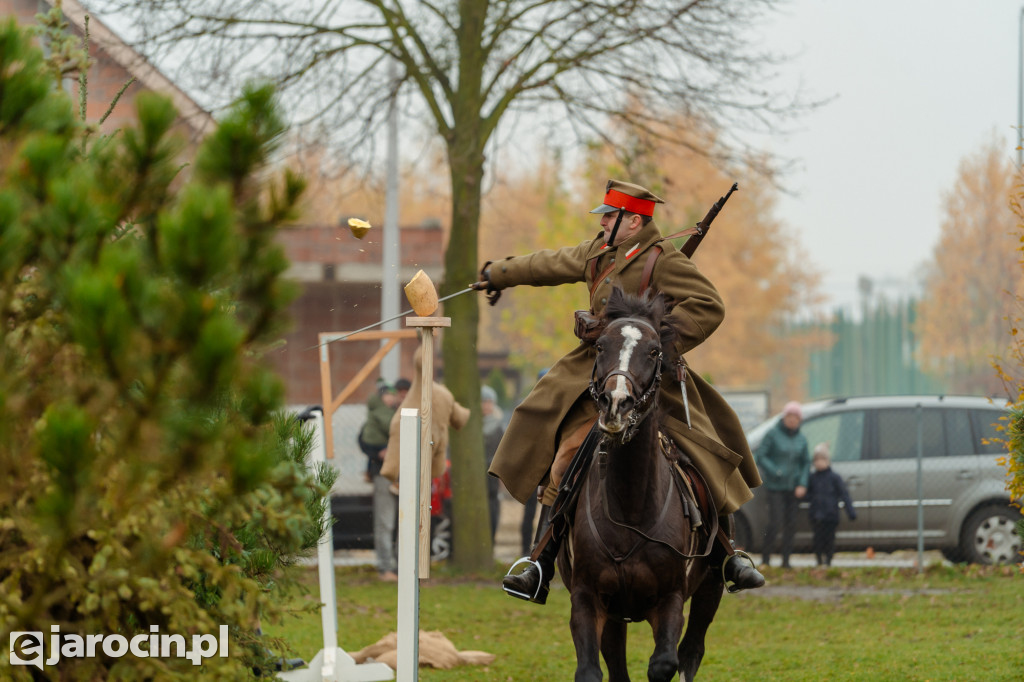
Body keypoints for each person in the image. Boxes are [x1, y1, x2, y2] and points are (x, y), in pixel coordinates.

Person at [473, 179, 765, 603]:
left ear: (633, 222)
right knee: (559, 451)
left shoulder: (662, 260)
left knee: (700, 454)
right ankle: (540, 561)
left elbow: (708, 305)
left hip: (651, 378)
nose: (603, 222)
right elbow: (548, 263)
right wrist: (497, 273)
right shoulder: (599, 253)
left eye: (609, 216)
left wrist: (657, 344)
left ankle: (726, 555)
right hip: (597, 372)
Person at [381, 347, 470, 485]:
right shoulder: (445, 394)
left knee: (399, 438)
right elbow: (460, 418)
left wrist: (390, 470)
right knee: (430, 470)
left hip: (414, 442)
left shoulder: (419, 392)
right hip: (436, 445)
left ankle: (396, 475)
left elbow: (419, 364)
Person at [756, 400, 811, 569]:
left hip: (793, 488)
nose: (792, 420)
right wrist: (775, 471)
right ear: (784, 417)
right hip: (775, 487)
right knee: (775, 522)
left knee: (791, 524)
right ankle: (766, 559)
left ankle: (786, 561)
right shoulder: (772, 434)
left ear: (799, 420)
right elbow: (761, 456)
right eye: (789, 416)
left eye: (796, 417)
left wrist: (802, 483)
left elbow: (805, 463)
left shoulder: (802, 439)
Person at [358, 380, 401, 581]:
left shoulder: (398, 415)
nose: (392, 398)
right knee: (385, 523)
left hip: (402, 474)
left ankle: (401, 566)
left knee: (403, 522)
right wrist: (379, 453)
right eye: (388, 394)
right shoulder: (375, 418)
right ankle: (386, 568)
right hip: (383, 474)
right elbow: (364, 440)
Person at [806, 442, 856, 566]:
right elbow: (807, 494)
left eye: (822, 459)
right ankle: (818, 560)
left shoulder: (835, 478)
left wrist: (851, 511)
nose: (819, 462)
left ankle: (828, 560)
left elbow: (844, 495)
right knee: (818, 539)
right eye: (816, 460)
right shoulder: (812, 478)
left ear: (828, 461)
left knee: (829, 539)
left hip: (831, 515)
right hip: (816, 515)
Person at [481, 385, 506, 543]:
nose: (487, 406)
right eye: (484, 402)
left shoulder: (499, 426)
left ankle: (490, 540)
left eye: (490, 402)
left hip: (492, 474)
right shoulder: (473, 425)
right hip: (476, 475)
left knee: (492, 509)